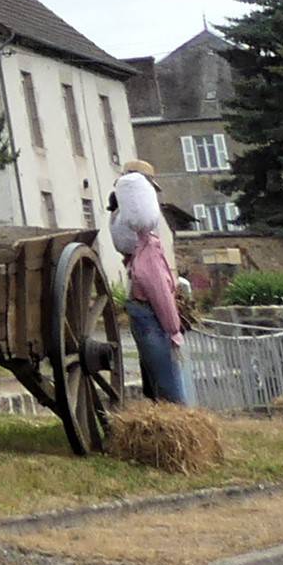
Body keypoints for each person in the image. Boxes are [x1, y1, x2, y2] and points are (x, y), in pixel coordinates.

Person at [110, 159, 191, 405]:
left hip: (138, 310)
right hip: (151, 315)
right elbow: (160, 294)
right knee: (170, 387)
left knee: (155, 382)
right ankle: (179, 424)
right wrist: (174, 329)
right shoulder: (149, 248)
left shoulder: (120, 226)